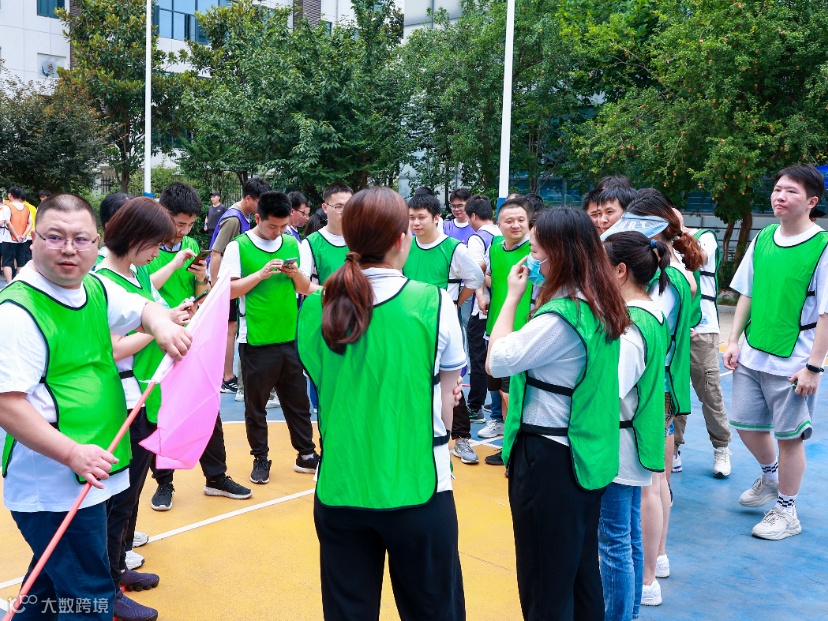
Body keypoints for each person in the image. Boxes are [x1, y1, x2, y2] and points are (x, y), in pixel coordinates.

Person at [0, 193, 191, 621]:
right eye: (55, 237)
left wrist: (160, 324)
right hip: (53, 482)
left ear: (96, 243)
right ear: (32, 239)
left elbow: (142, 307)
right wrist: (71, 453)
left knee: (49, 586)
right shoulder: (17, 310)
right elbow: (7, 405)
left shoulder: (94, 287)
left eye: (81, 239)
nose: (69, 249)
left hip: (91, 471)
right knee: (88, 596)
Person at [296, 187, 466, 621]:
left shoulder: (316, 307)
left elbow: (325, 381)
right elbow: (447, 402)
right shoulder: (433, 302)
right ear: (400, 240)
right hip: (419, 485)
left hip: (341, 485)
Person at [488, 207, 629, 621]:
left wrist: (511, 298)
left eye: (535, 252)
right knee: (580, 573)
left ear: (559, 255)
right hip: (584, 453)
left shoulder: (561, 318)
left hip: (549, 457)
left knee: (544, 581)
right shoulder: (602, 302)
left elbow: (497, 360)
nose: (530, 260)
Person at [95, 197, 194, 621]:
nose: (159, 253)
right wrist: (159, 331)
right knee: (114, 499)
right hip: (116, 401)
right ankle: (106, 588)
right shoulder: (101, 281)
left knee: (130, 492)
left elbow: (152, 314)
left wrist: (171, 317)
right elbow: (113, 347)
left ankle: (117, 568)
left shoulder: (136, 274)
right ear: (134, 237)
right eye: (155, 244)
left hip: (143, 393)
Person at [608, 191, 704, 606]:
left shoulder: (658, 281)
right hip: (663, 386)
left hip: (650, 389)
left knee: (646, 483)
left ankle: (647, 577)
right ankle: (657, 559)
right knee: (657, 480)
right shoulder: (679, 274)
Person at [724, 164, 828, 541]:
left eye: (791, 191)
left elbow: (826, 314)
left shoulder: (822, 247)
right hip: (753, 352)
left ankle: (787, 510)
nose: (779, 196)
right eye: (777, 189)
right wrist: (734, 340)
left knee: (789, 437)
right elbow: (747, 293)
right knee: (746, 424)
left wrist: (814, 367)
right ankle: (770, 477)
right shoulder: (764, 237)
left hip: (794, 360)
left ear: (811, 202)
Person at [147, 182, 252, 512]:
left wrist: (201, 277)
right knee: (161, 414)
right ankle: (164, 483)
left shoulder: (191, 245)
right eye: (179, 223)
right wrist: (174, 265)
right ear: (163, 214)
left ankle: (216, 477)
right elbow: (144, 290)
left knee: (206, 408)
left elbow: (202, 294)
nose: (184, 231)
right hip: (156, 343)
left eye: (190, 224)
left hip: (190, 339)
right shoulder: (146, 249)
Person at [218, 191, 319, 483]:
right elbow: (227, 291)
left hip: (289, 337)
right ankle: (260, 458)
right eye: (272, 226)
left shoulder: (292, 243)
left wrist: (294, 274)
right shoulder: (238, 247)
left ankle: (306, 454)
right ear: (257, 218)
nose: (278, 231)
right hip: (255, 340)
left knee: (297, 403)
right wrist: (260, 275)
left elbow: (304, 288)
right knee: (256, 406)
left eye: (284, 226)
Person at [600, 231, 671, 621]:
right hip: (637, 438)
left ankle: (619, 615)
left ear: (620, 271)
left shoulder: (630, 326)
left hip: (621, 443)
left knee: (613, 542)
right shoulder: (653, 313)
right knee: (627, 535)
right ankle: (629, 612)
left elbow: (611, 389)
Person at [404, 191, 484, 465]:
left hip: (442, 327)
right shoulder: (405, 245)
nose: (416, 223)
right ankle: (416, 435)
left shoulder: (453, 248)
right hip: (410, 327)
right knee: (414, 382)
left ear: (437, 218)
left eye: (421, 217)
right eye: (411, 218)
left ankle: (460, 438)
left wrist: (453, 304)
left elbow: (475, 279)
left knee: (452, 384)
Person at [673, 213, 732, 476]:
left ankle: (721, 447)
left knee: (709, 391)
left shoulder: (705, 236)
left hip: (703, 329)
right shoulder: (658, 243)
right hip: (674, 328)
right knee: (672, 390)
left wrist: (671, 241)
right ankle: (673, 448)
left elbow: (697, 258)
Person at [478, 198, 532, 465]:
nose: (516, 225)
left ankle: (513, 451)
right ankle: (506, 439)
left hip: (521, 334)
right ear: (498, 224)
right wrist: (481, 292)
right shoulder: (494, 248)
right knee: (498, 390)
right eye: (509, 220)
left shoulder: (534, 252)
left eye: (521, 220)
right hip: (494, 330)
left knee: (512, 396)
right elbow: (485, 274)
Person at [209, 177, 271, 395]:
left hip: (232, 281)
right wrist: (216, 288)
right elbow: (216, 253)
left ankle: (227, 375)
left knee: (232, 329)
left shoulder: (244, 216)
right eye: (260, 201)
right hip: (225, 283)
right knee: (229, 329)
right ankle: (226, 377)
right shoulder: (234, 219)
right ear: (248, 198)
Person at [465, 195, 501, 421]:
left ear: (473, 216)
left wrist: (479, 297)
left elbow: (475, 273)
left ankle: (475, 405)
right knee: (497, 357)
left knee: (479, 357)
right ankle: (497, 407)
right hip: (504, 306)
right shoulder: (502, 234)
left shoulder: (477, 238)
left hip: (484, 308)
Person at [298, 182, 354, 293]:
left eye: (349, 206)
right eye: (338, 206)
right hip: (325, 303)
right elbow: (302, 286)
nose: (345, 212)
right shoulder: (311, 243)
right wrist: (334, 294)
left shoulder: (360, 239)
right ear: (325, 207)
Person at [2, 187, 32, 282]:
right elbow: (30, 223)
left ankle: (9, 283)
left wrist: (16, 235)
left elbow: (8, 222)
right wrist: (23, 235)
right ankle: (18, 283)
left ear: (10, 195)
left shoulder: (8, 207)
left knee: (7, 262)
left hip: (9, 239)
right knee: (21, 263)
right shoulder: (27, 208)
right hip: (23, 240)